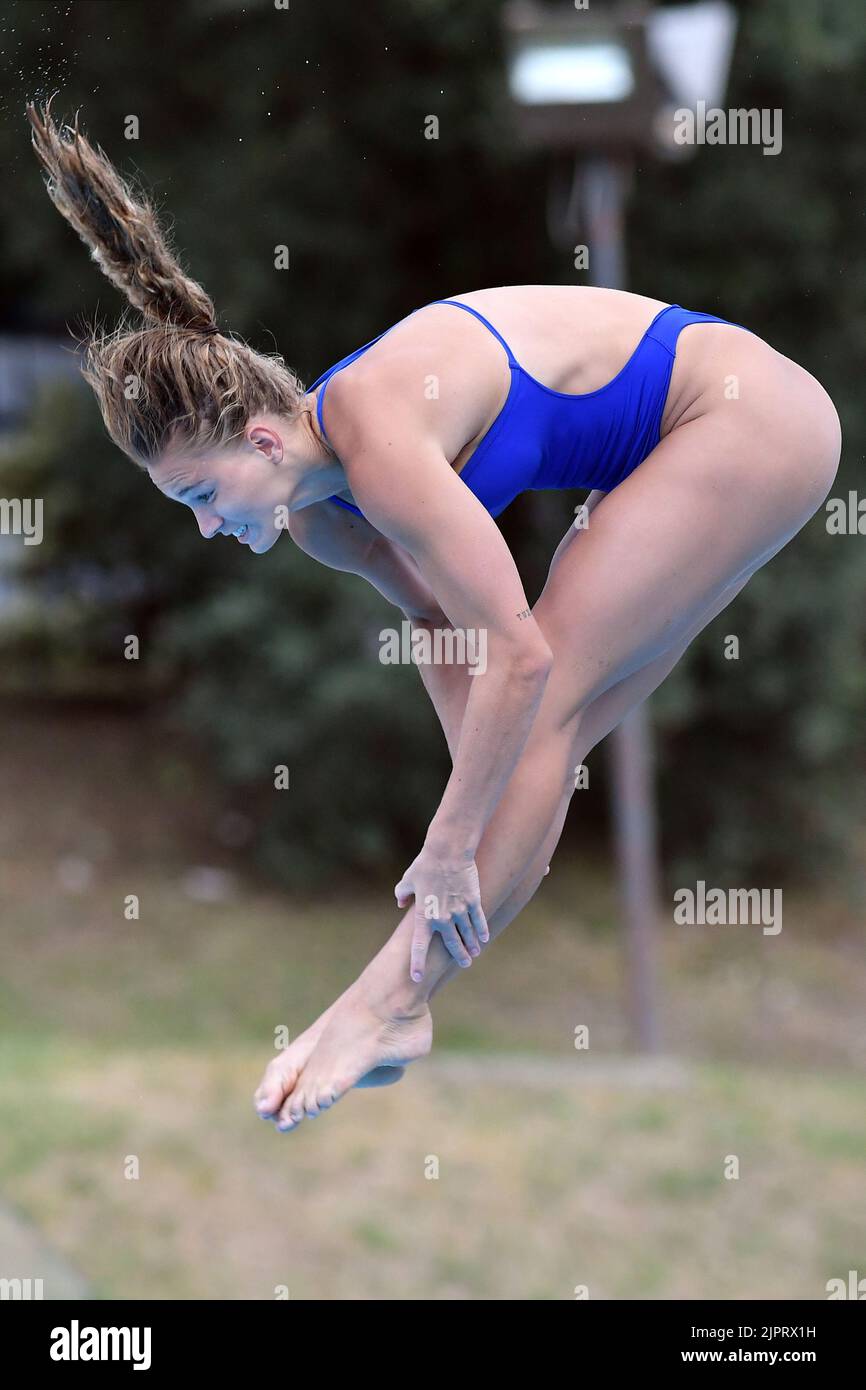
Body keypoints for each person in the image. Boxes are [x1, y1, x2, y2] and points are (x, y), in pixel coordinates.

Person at [28, 97, 841, 1132]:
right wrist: (485, 804)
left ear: (262, 442)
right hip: (694, 442)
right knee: (551, 733)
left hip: (744, 412)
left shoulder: (373, 433)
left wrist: (457, 841)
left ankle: (389, 1003)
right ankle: (401, 1001)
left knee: (540, 709)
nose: (205, 529)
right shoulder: (328, 521)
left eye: (201, 496)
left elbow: (518, 655)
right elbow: (451, 642)